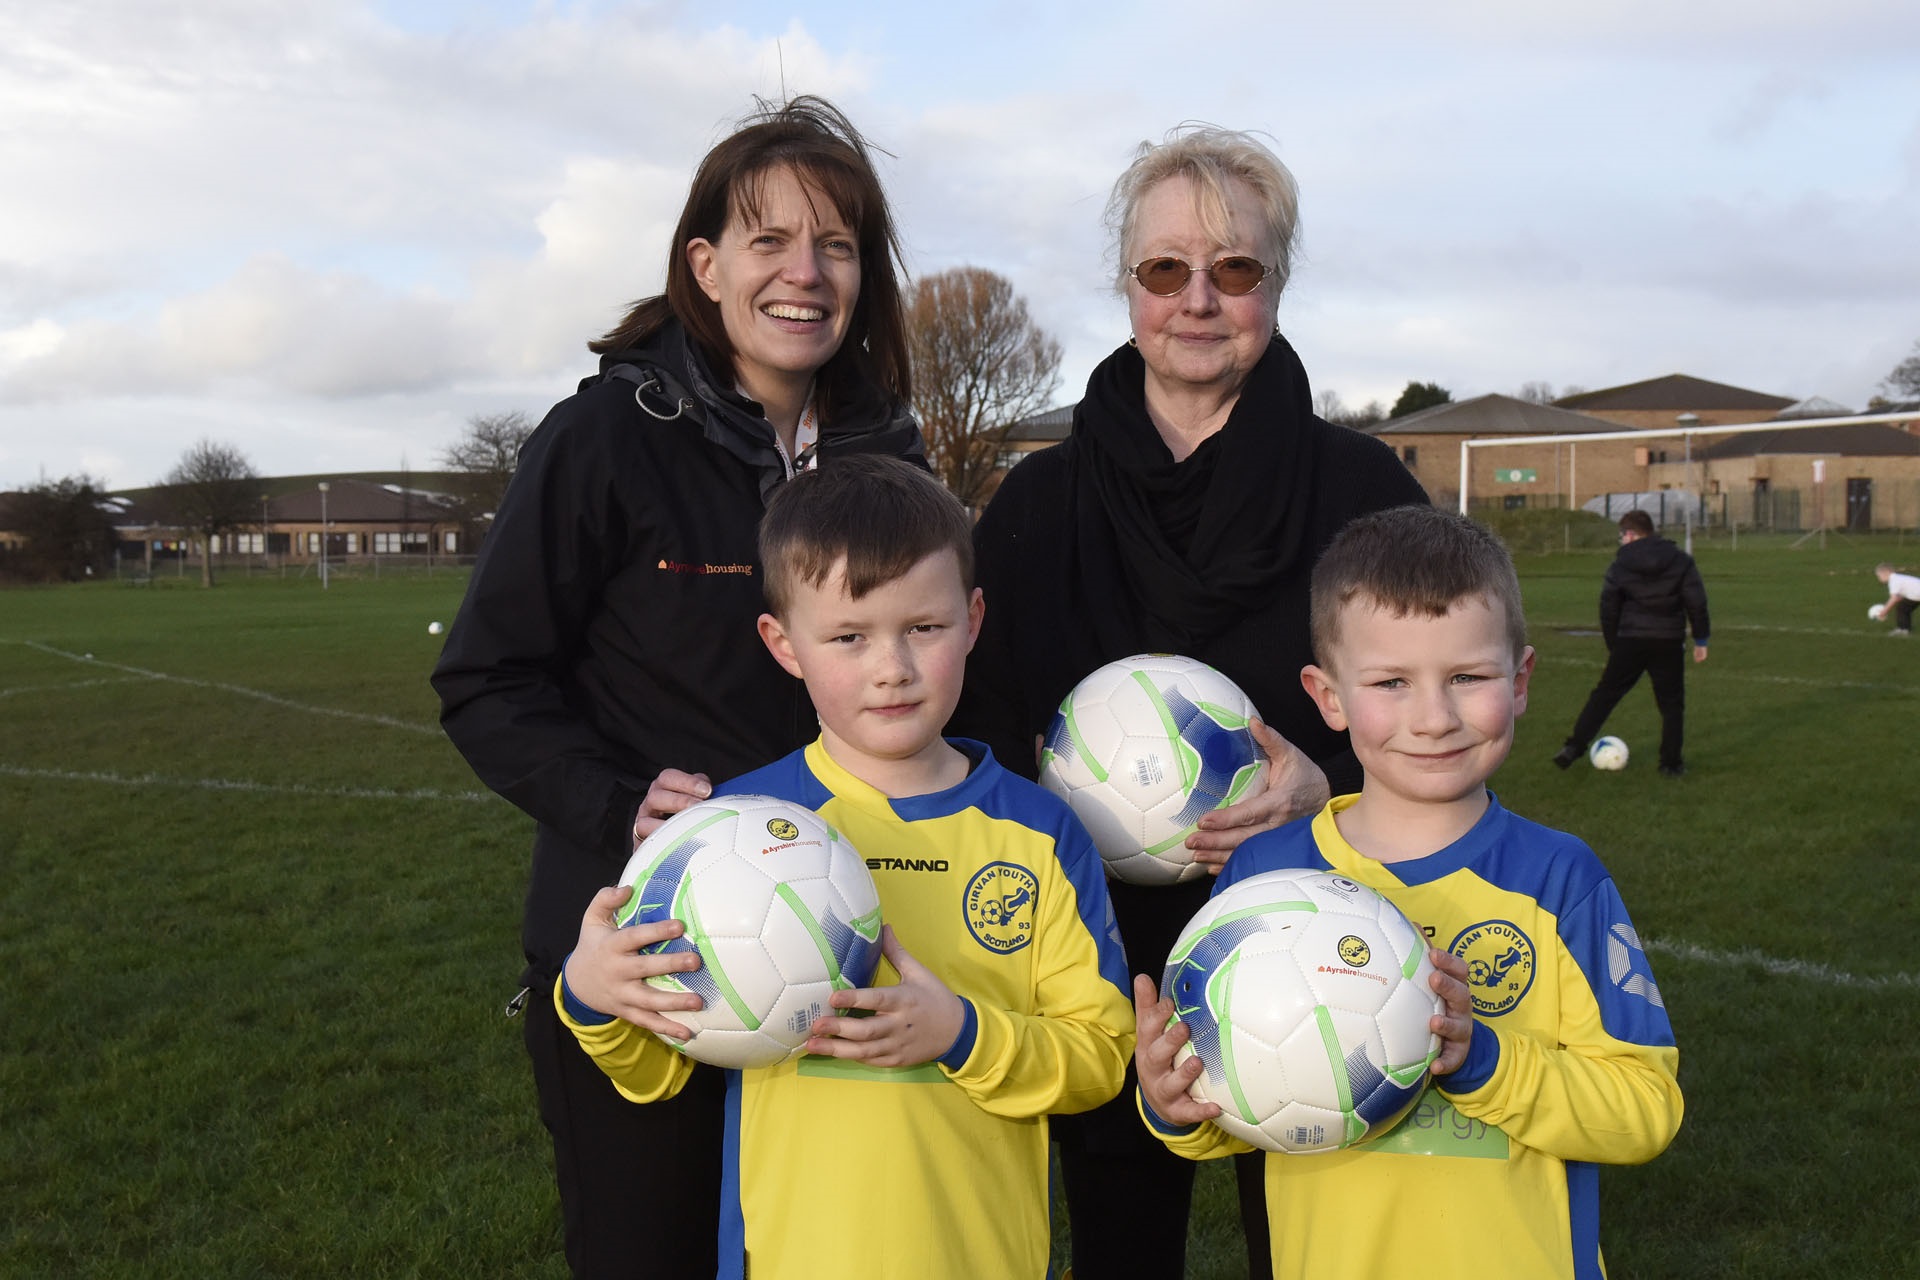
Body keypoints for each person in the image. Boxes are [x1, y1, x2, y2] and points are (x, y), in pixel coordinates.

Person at [429, 97, 924, 1279]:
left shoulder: (890, 454)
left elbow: (941, 665)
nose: (805, 274)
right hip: (645, 959)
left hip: (842, 942)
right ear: (705, 266)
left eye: (838, 244)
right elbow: (484, 678)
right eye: (769, 241)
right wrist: (619, 808)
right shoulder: (603, 437)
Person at [951, 124, 1427, 1277]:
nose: (1199, 298)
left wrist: (1340, 783)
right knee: (1119, 1240)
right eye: (1167, 268)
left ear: (1276, 284)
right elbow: (966, 724)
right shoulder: (1037, 501)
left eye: (1237, 268)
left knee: (1316, 1239)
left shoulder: (1363, 488)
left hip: (1318, 942)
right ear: (1127, 288)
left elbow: (1442, 710)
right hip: (1101, 954)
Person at [557, 455, 1134, 1280]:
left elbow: (1101, 1057)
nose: (891, 667)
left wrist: (962, 1034)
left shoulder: (1040, 834)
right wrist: (593, 994)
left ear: (973, 620)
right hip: (794, 1255)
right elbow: (655, 1069)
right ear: (783, 644)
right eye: (849, 637)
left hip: (983, 1256)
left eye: (922, 629)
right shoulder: (729, 833)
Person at [1135, 504, 1684, 1279]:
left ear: (1521, 680)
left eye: (1468, 677)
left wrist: (1485, 1062)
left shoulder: (1560, 879)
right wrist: (1173, 1103)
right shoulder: (1266, 879)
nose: (1434, 718)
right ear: (1327, 697)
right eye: (1391, 682)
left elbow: (1644, 1110)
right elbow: (1239, 1106)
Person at [1551, 509, 1709, 778]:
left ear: (1632, 533)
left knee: (1605, 695)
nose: (1621, 540)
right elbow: (1696, 600)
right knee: (1671, 704)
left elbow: (1609, 606)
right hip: (1668, 640)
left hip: (1630, 639)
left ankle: (1573, 747)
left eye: (1622, 535)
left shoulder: (1621, 564)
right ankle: (1671, 764)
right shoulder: (1680, 560)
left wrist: (1615, 642)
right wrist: (1701, 638)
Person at [1872, 562, 1920, 635]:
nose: (1879, 578)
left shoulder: (1893, 580)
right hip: (1916, 595)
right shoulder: (1898, 578)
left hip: (1917, 595)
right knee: (1903, 607)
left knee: (1902, 607)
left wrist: (1884, 612)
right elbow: (1898, 597)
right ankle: (1904, 629)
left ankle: (1903, 629)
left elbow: (1893, 599)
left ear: (1886, 572)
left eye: (1879, 576)